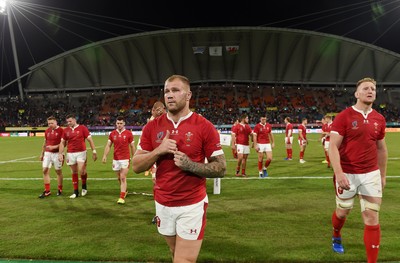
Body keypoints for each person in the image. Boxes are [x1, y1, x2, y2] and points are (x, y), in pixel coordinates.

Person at [131, 74, 226, 263]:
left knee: (184, 260)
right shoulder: (152, 128)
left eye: (175, 90)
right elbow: (136, 166)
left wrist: (190, 165)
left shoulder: (204, 126)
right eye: (167, 91)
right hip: (163, 202)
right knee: (175, 253)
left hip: (191, 204)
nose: (169, 95)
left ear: (188, 95)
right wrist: (159, 150)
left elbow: (221, 168)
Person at [329, 77, 387, 263]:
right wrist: (339, 173)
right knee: (342, 212)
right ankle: (336, 233)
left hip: (371, 174)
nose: (370, 91)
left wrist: (382, 175)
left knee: (371, 217)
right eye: (366, 88)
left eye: (373, 89)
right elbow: (332, 147)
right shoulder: (344, 116)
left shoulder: (379, 118)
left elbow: (381, 148)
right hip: (347, 173)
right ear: (357, 93)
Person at [58, 114, 98, 199]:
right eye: (67, 122)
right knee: (74, 172)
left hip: (81, 152)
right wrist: (60, 153)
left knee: (82, 171)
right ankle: (75, 192)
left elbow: (90, 140)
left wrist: (94, 151)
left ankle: (84, 186)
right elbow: (62, 142)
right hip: (70, 153)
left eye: (70, 121)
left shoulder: (82, 128)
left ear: (74, 120)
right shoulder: (66, 130)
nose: (68, 123)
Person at [102, 116, 136, 204]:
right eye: (118, 123)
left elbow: (132, 146)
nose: (119, 125)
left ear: (124, 124)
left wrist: (135, 157)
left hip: (125, 159)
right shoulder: (112, 134)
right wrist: (105, 155)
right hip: (116, 159)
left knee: (123, 177)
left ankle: (121, 197)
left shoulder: (128, 133)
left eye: (121, 123)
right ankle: (125, 190)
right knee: (119, 177)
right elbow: (108, 145)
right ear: (116, 124)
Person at [38, 116, 64, 198]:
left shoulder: (61, 130)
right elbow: (45, 143)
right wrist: (42, 153)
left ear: (56, 122)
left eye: (52, 123)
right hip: (47, 153)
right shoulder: (47, 131)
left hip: (57, 154)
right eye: (49, 123)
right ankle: (47, 190)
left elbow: (63, 143)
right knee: (45, 170)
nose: (50, 125)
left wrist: (54, 148)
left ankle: (59, 189)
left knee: (58, 172)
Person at [143, 100, 166, 183]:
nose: (159, 112)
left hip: (163, 158)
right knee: (156, 179)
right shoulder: (149, 126)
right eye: (157, 110)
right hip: (154, 156)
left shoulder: (167, 122)